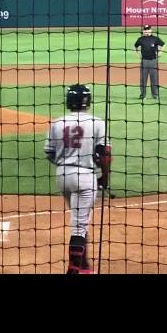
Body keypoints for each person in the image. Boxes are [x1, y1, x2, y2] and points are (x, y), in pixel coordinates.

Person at [44, 84, 112, 274]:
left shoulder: (57, 123)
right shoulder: (97, 122)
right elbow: (105, 153)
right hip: (86, 177)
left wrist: (65, 162)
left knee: (79, 221)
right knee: (79, 226)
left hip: (63, 176)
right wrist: (104, 176)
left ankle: (84, 266)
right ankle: (73, 270)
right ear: (88, 101)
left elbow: (49, 153)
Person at [134, 24, 165, 100]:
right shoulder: (140, 39)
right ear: (143, 31)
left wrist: (161, 52)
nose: (146, 31)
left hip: (153, 61)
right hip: (144, 61)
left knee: (154, 79)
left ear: (151, 30)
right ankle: (143, 95)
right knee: (143, 79)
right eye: (145, 30)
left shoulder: (155, 38)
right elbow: (135, 46)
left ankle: (155, 95)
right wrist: (137, 54)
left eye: (148, 29)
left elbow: (163, 44)